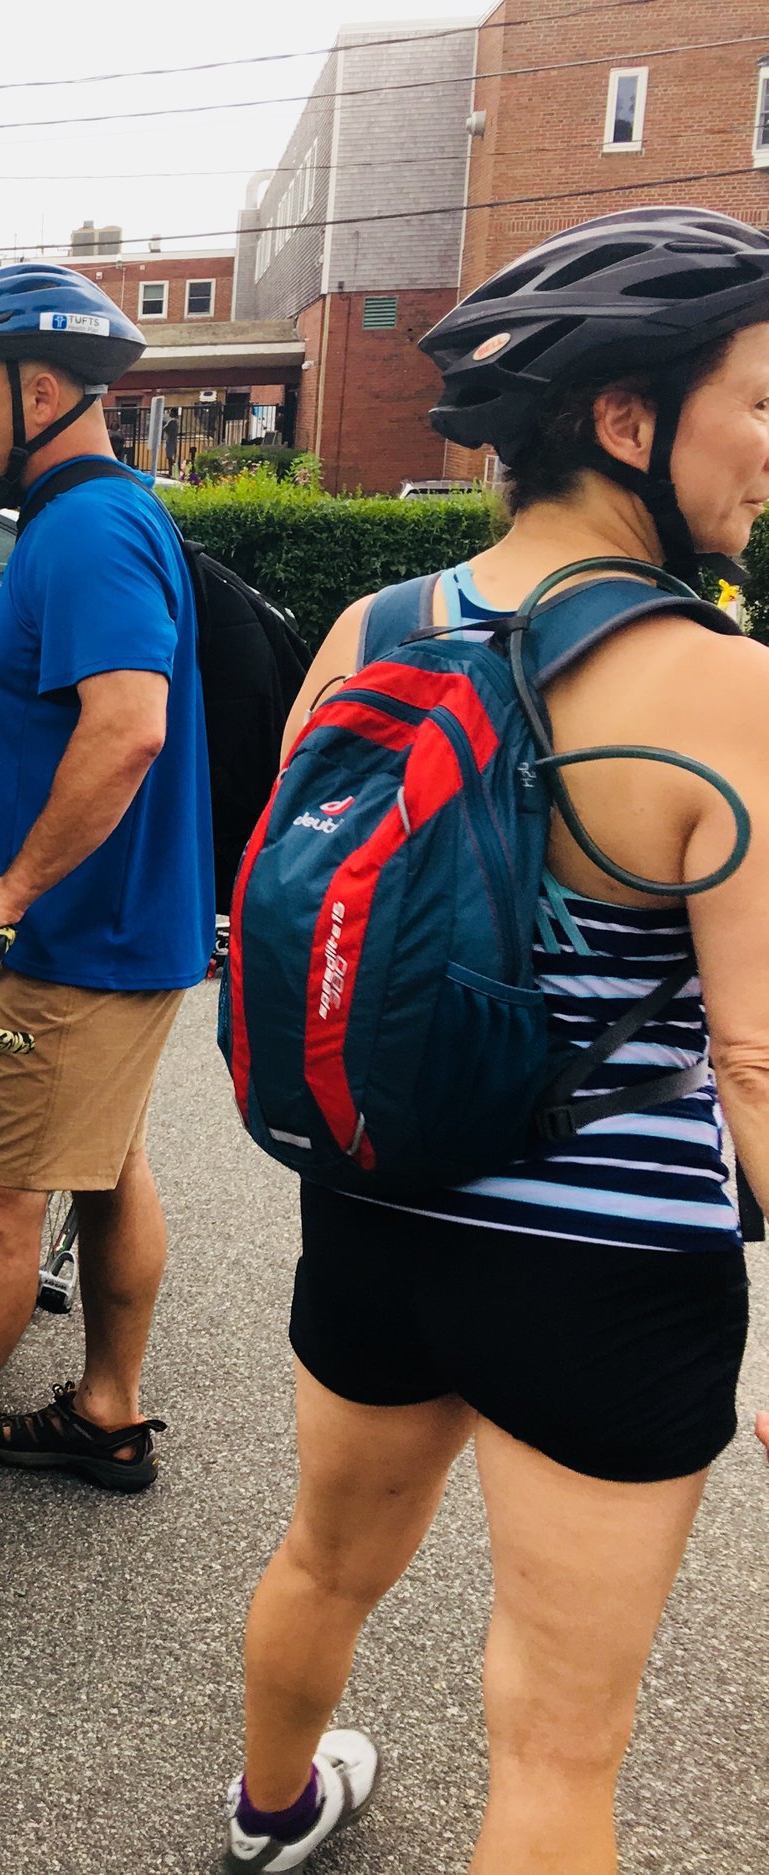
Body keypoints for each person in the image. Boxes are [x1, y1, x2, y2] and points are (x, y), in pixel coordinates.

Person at [221, 207, 769, 1874]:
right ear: (627, 419)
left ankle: (271, 1812)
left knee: (326, 1560)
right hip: (603, 1272)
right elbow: (755, 1058)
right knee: (554, 1734)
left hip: (378, 1199)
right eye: (760, 400)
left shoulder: (371, 631)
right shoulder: (721, 685)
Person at [0, 264, 213, 1556]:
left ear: (41, 391)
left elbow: (129, 729)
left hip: (80, 943)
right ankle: (106, 1407)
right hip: (126, 933)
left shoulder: (85, 531)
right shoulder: (100, 518)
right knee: (107, 1164)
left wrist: (14, 887)